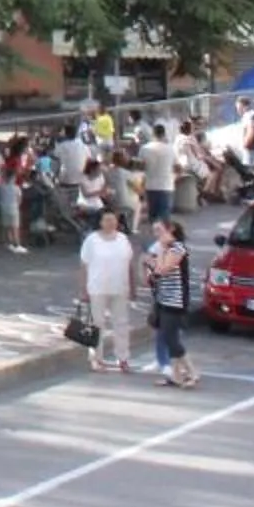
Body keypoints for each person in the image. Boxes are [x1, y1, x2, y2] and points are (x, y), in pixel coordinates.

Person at [77, 208, 136, 378]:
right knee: (97, 324)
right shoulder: (92, 240)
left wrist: (133, 287)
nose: (111, 223)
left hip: (119, 287)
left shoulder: (123, 239)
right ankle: (96, 358)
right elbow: (84, 265)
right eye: (107, 220)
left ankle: (123, 358)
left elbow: (129, 264)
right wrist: (83, 289)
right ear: (100, 222)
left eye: (113, 219)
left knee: (121, 323)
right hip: (97, 287)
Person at [144, 219, 199, 390]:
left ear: (171, 230)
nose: (158, 235)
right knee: (168, 337)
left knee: (170, 338)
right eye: (155, 232)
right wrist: (151, 265)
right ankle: (175, 376)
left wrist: (158, 253)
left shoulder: (177, 248)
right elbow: (152, 273)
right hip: (163, 299)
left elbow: (162, 269)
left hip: (175, 300)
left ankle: (192, 372)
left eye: (160, 231)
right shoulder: (165, 249)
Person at [139, 125, 177, 229]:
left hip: (150, 185)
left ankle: (155, 234)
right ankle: (165, 235)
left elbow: (141, 167)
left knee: (153, 215)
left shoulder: (144, 149)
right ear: (164, 134)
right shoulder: (170, 149)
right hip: (166, 185)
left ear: (153, 134)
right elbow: (177, 167)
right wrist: (174, 177)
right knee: (165, 215)